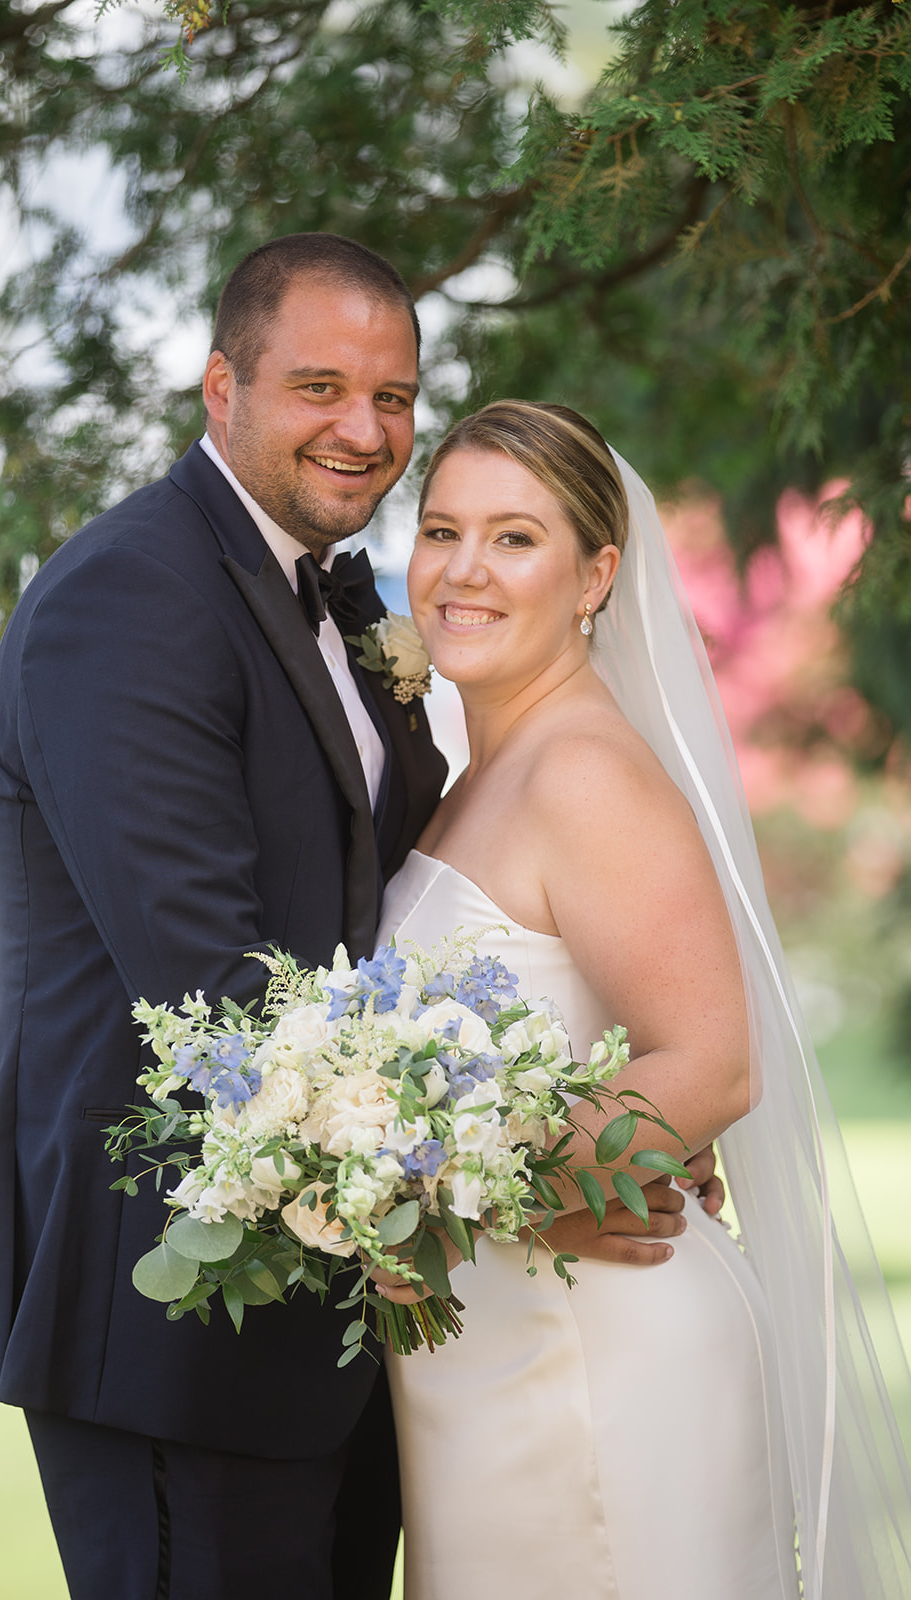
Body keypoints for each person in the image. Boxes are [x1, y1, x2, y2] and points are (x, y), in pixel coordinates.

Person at [0, 239, 714, 1600]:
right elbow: (226, 997)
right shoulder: (133, 600)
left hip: (356, 1323)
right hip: (177, 1326)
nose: (362, 431)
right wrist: (530, 1188)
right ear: (217, 387)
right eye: (317, 386)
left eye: (392, 396)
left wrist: (596, 1116)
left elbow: (401, 946)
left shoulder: (335, 598)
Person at [376, 400, 911, 1599]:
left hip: (599, 1355)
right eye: (441, 528)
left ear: (595, 574)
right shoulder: (476, 777)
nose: (462, 568)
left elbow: (711, 1065)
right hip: (498, 1359)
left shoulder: (583, 770)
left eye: (514, 539)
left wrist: (459, 1205)